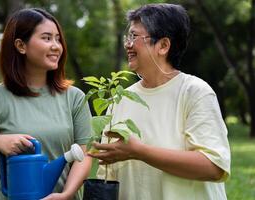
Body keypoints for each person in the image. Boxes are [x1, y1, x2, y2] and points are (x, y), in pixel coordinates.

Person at [89, 3, 230, 200]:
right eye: (128, 37)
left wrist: (140, 152)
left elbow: (213, 167)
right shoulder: (120, 100)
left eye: (135, 37)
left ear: (163, 45)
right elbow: (107, 175)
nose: (128, 44)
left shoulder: (194, 92)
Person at [0, 8, 92, 200]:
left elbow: (83, 155)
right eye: (46, 38)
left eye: (58, 39)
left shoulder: (74, 97)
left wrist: (67, 195)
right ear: (21, 45)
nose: (56, 46)